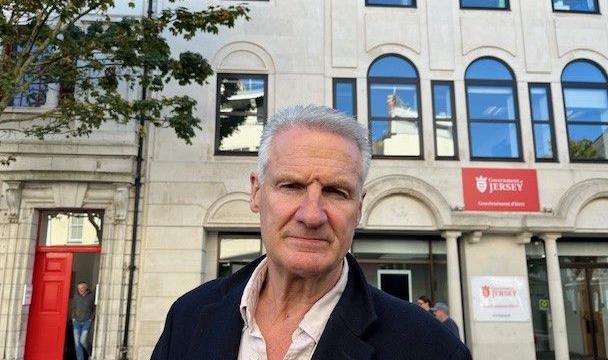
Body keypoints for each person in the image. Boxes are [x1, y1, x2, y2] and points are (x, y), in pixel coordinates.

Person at [151, 105, 471, 359]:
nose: (312, 214)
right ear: (256, 193)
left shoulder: (431, 348)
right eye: (291, 186)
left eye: (335, 192)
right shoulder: (189, 317)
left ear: (359, 208)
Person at [71, 281, 95, 360]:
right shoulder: (76, 296)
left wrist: (91, 318)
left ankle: (91, 352)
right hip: (76, 322)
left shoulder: (91, 296)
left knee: (83, 340)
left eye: (82, 288)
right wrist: (73, 318)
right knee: (77, 344)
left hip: (86, 321)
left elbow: (95, 307)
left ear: (86, 288)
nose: (80, 290)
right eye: (79, 288)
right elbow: (73, 307)